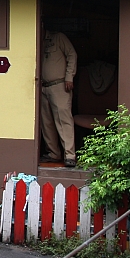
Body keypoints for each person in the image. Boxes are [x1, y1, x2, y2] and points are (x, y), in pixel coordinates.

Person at [41, 28, 78, 166]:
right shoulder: (38, 40)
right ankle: (53, 153)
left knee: (64, 121)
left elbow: (72, 55)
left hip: (60, 85)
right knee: (46, 123)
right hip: (43, 86)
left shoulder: (58, 37)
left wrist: (69, 77)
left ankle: (70, 155)